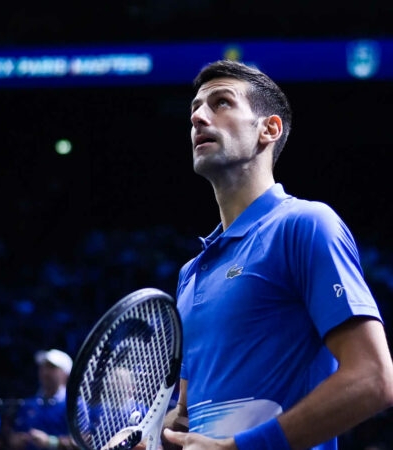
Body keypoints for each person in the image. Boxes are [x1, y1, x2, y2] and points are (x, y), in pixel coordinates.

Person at [159, 59, 393, 450]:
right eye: (194, 109)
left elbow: (373, 378)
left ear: (269, 129)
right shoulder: (191, 272)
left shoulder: (304, 225)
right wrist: (157, 437)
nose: (199, 117)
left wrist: (239, 448)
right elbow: (187, 413)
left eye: (221, 103)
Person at [7, 349, 78, 450]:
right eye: (43, 367)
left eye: (52, 367)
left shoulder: (76, 406)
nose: (45, 372)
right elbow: (14, 437)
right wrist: (16, 441)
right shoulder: (28, 405)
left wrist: (51, 442)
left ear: (66, 374)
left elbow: (83, 441)